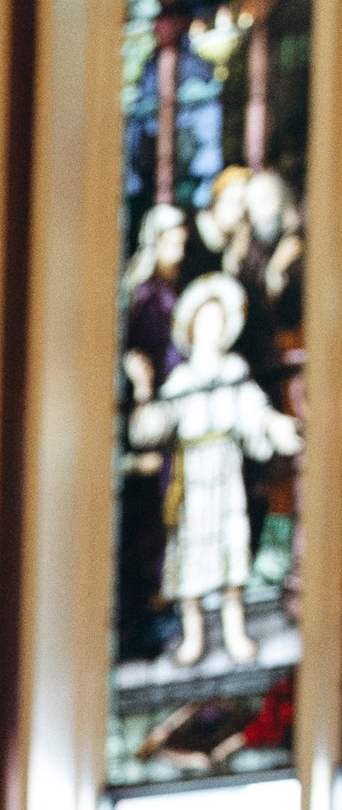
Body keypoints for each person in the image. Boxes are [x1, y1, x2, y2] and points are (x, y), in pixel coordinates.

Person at [131, 270, 302, 668]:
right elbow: (152, 427)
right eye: (204, 321)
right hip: (192, 477)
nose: (212, 328)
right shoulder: (182, 379)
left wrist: (276, 427)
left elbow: (255, 412)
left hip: (226, 475)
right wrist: (142, 390)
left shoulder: (234, 372)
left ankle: (233, 630)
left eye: (218, 320)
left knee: (231, 545)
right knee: (191, 552)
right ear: (192, 328)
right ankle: (192, 637)